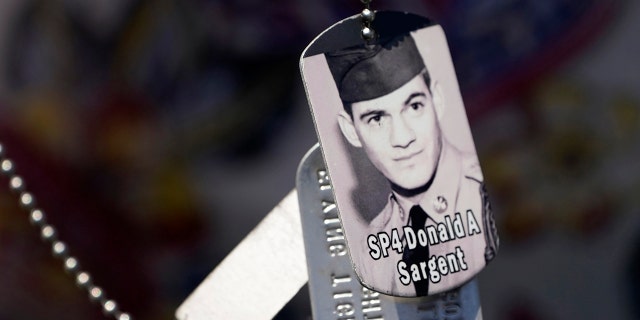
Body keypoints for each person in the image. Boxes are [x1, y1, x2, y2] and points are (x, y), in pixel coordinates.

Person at [326, 32, 498, 297]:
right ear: (351, 131)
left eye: (414, 106)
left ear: (437, 100)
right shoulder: (373, 254)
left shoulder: (495, 194)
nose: (403, 138)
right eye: (376, 119)